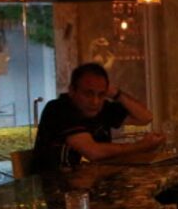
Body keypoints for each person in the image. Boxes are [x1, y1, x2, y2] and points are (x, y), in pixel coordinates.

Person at [32, 63, 163, 173]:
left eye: (101, 94)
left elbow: (145, 117)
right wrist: (140, 146)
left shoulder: (102, 107)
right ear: (72, 90)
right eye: (88, 94)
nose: (95, 101)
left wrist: (117, 94)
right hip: (58, 191)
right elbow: (93, 151)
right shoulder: (59, 108)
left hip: (92, 184)